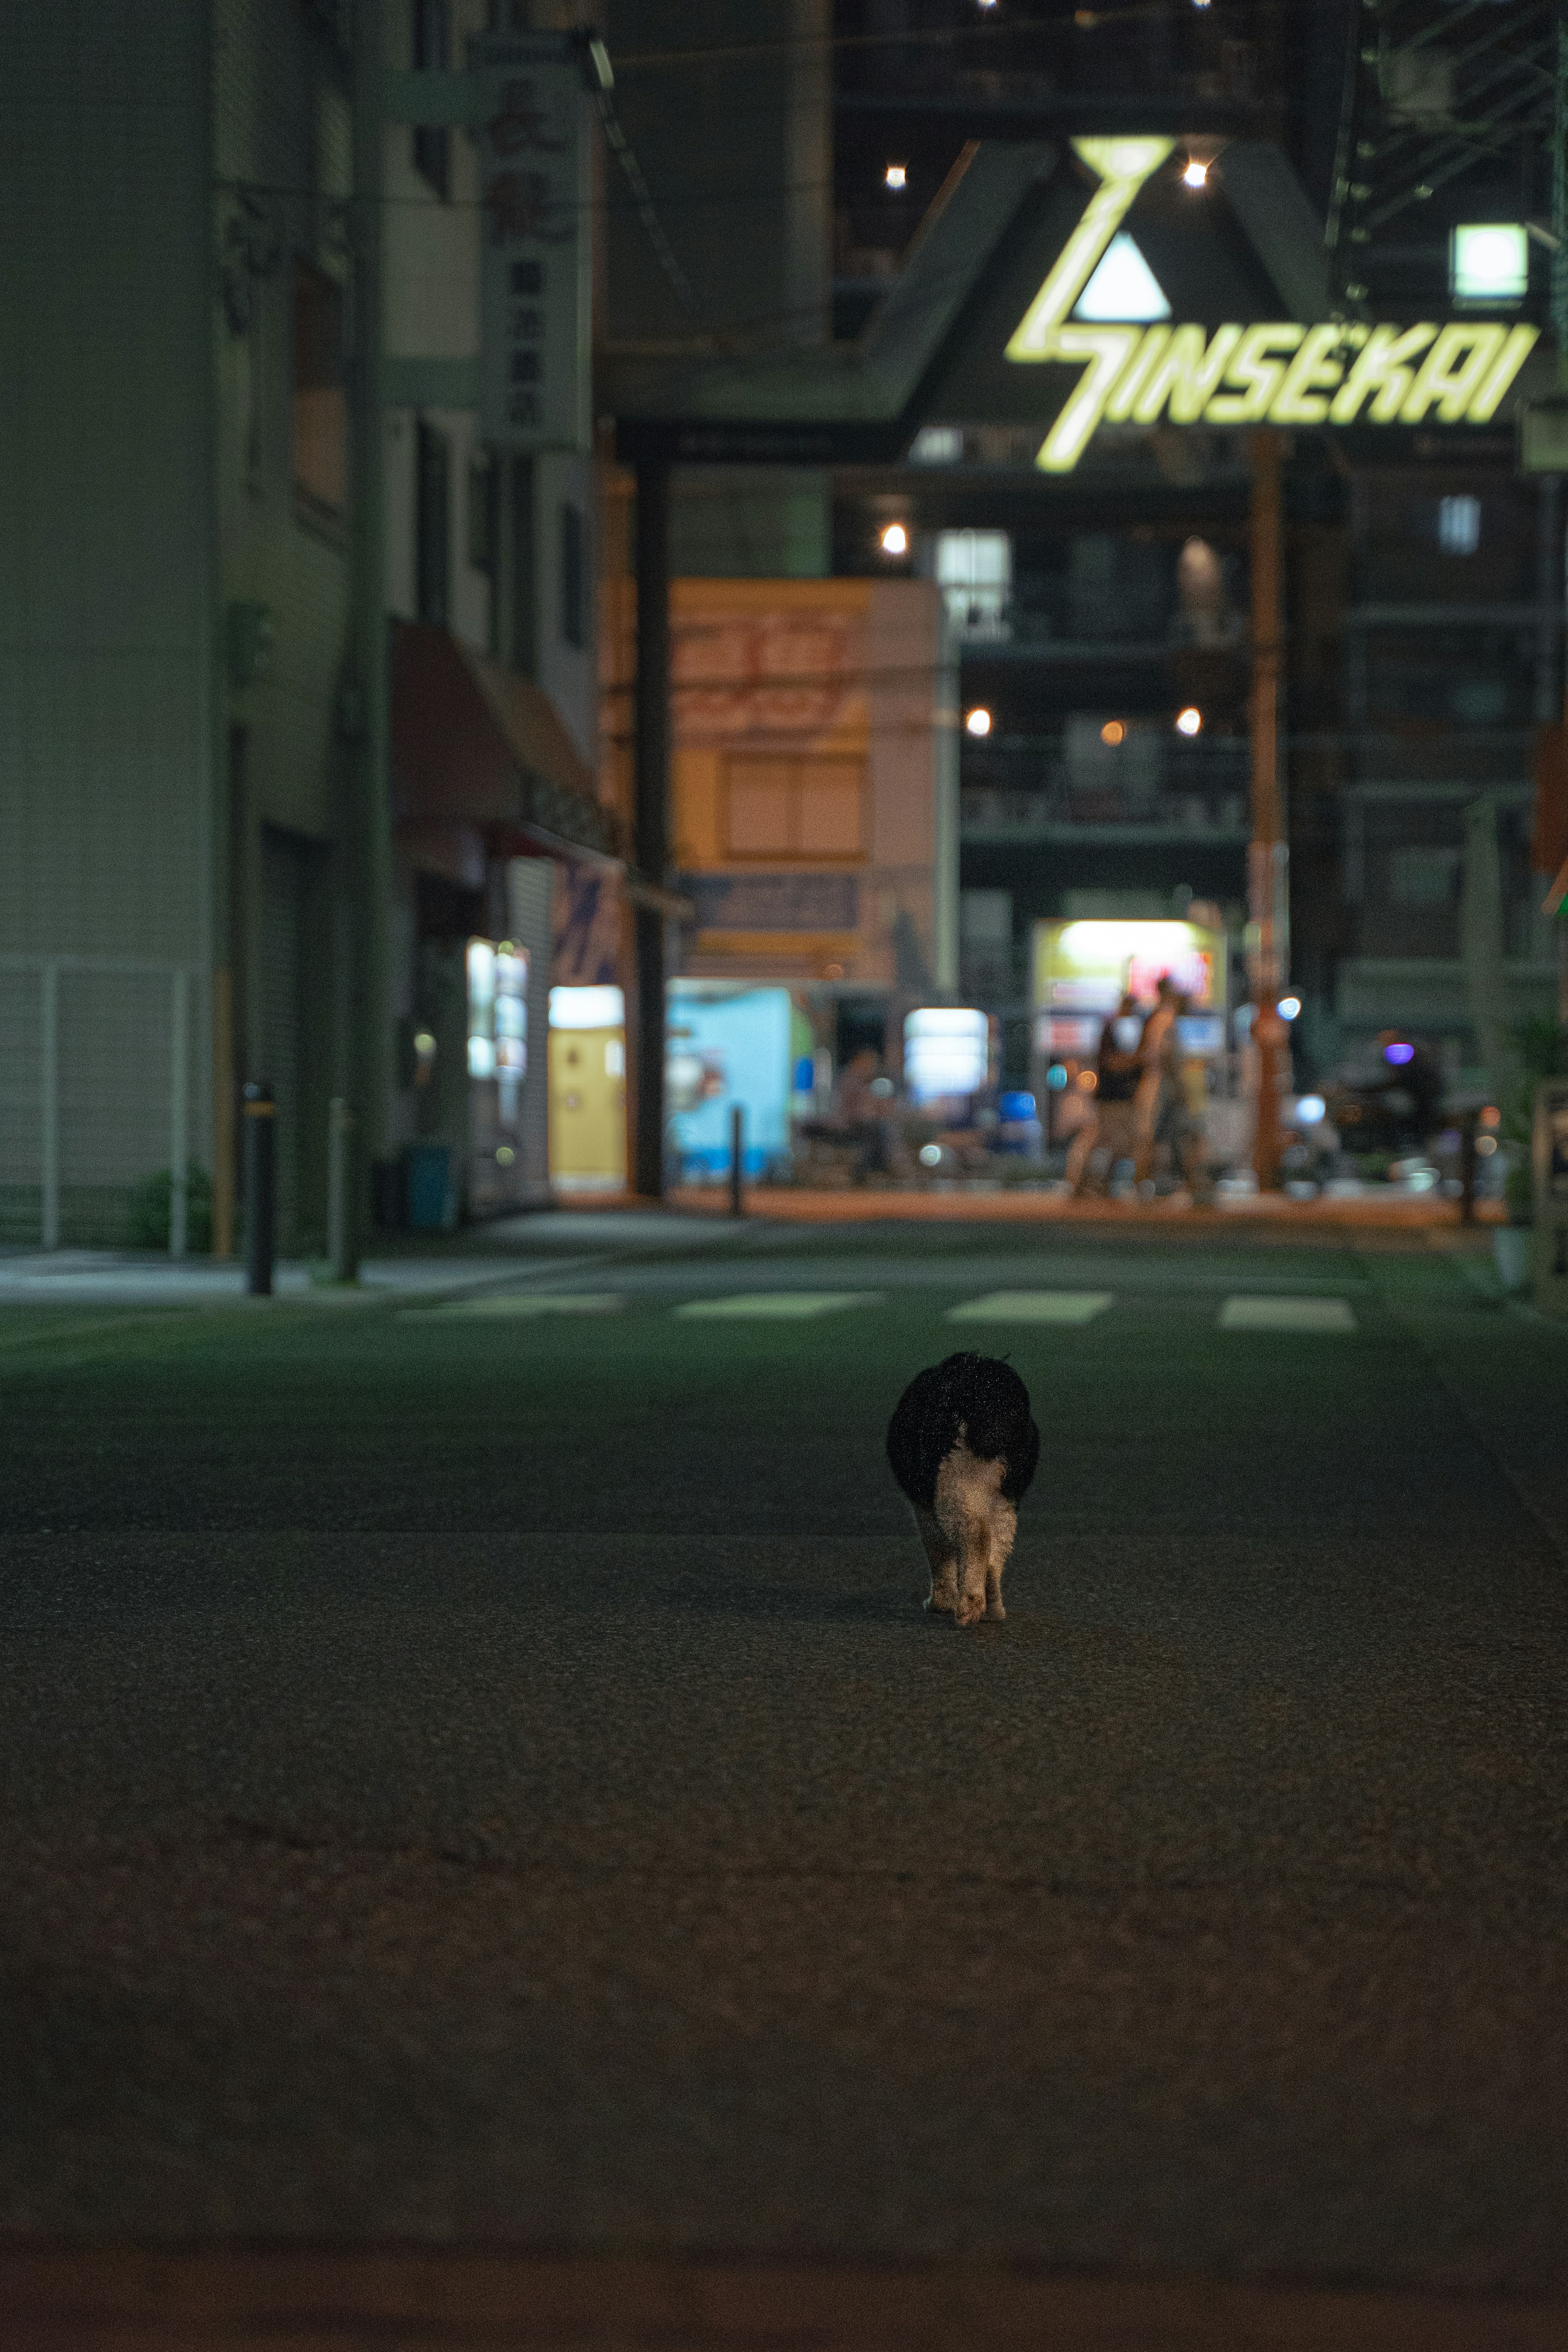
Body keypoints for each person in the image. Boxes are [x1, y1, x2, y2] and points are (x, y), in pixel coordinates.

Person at [1065, 996, 1142, 1196]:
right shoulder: (1111, 1027)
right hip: (1111, 1098)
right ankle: (1080, 1182)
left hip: (1123, 1098)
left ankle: (1100, 1184)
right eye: (1130, 1007)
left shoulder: (1127, 1030)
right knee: (1102, 1141)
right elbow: (1111, 1063)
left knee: (1118, 1144)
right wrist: (1139, 1060)